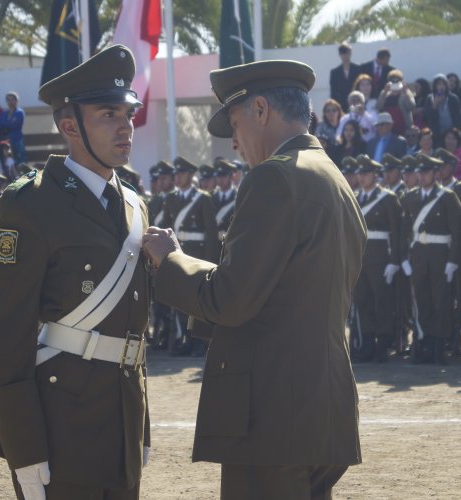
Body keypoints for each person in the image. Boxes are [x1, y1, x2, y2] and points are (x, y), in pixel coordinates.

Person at [142, 59, 363, 499]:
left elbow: (231, 298)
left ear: (261, 109)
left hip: (272, 413)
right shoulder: (333, 178)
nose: (235, 145)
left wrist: (170, 261)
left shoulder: (274, 178)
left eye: (236, 123)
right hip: (322, 409)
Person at [0, 44, 152, 500]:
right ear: (69, 126)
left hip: (122, 425)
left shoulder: (136, 204)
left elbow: (133, 331)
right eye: (108, 115)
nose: (125, 128)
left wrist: (142, 427)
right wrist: (24, 449)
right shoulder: (30, 203)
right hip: (60, 428)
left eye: (128, 115)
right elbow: (5, 335)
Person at [401, 153, 461, 364]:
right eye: (420, 172)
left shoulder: (447, 197)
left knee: (441, 302)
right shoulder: (410, 197)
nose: (423, 176)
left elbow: (457, 232)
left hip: (440, 256)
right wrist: (404, 258)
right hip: (419, 256)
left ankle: (439, 346)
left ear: (435, 173)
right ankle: (423, 341)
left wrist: (453, 261)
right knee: (422, 300)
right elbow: (403, 232)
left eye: (427, 172)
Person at [159, 156, 218, 356]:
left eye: (182, 174)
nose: (177, 177)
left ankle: (199, 342)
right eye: (176, 174)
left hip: (198, 253)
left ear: (191, 175)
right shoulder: (171, 199)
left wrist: (210, 260)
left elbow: (211, 233)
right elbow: (167, 228)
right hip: (179, 252)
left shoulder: (202, 198)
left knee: (198, 298)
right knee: (180, 299)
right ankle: (183, 339)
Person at [349, 154, 402, 363]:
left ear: (374, 175)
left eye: (365, 174)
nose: (361, 178)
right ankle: (366, 343)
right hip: (360, 257)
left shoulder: (387, 199)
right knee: (363, 302)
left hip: (381, 258)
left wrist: (394, 261)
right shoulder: (354, 197)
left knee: (382, 303)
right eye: (359, 174)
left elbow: (397, 232)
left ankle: (383, 344)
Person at [425, 73, 461, 145]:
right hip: (437, 133)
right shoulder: (429, 98)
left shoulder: (453, 98)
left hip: (452, 133)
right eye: (439, 84)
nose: (441, 87)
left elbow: (458, 118)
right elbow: (428, 117)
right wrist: (435, 105)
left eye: (443, 84)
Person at [377, 69, 415, 135]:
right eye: (392, 81)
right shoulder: (384, 92)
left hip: (403, 128)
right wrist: (385, 93)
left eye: (397, 81)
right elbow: (378, 107)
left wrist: (406, 93)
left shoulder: (406, 92)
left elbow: (412, 107)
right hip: (387, 127)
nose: (395, 83)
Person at [329, 42, 360, 113]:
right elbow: (333, 92)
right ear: (340, 55)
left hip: (355, 103)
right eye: (343, 53)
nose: (345, 55)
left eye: (347, 53)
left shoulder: (358, 69)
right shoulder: (334, 72)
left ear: (350, 53)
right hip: (340, 106)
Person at [212, 159, 237, 245]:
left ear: (231, 177)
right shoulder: (210, 197)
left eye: (223, 176)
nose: (220, 180)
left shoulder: (239, 196)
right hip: (214, 246)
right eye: (218, 176)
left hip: (231, 245)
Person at [0, 91, 26, 163]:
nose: (10, 102)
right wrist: (9, 124)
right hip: (6, 140)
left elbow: (15, 124)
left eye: (12, 99)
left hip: (17, 139)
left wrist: (7, 124)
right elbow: (0, 124)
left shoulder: (19, 112)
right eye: (8, 100)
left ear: (16, 101)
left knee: (20, 160)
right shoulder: (4, 113)